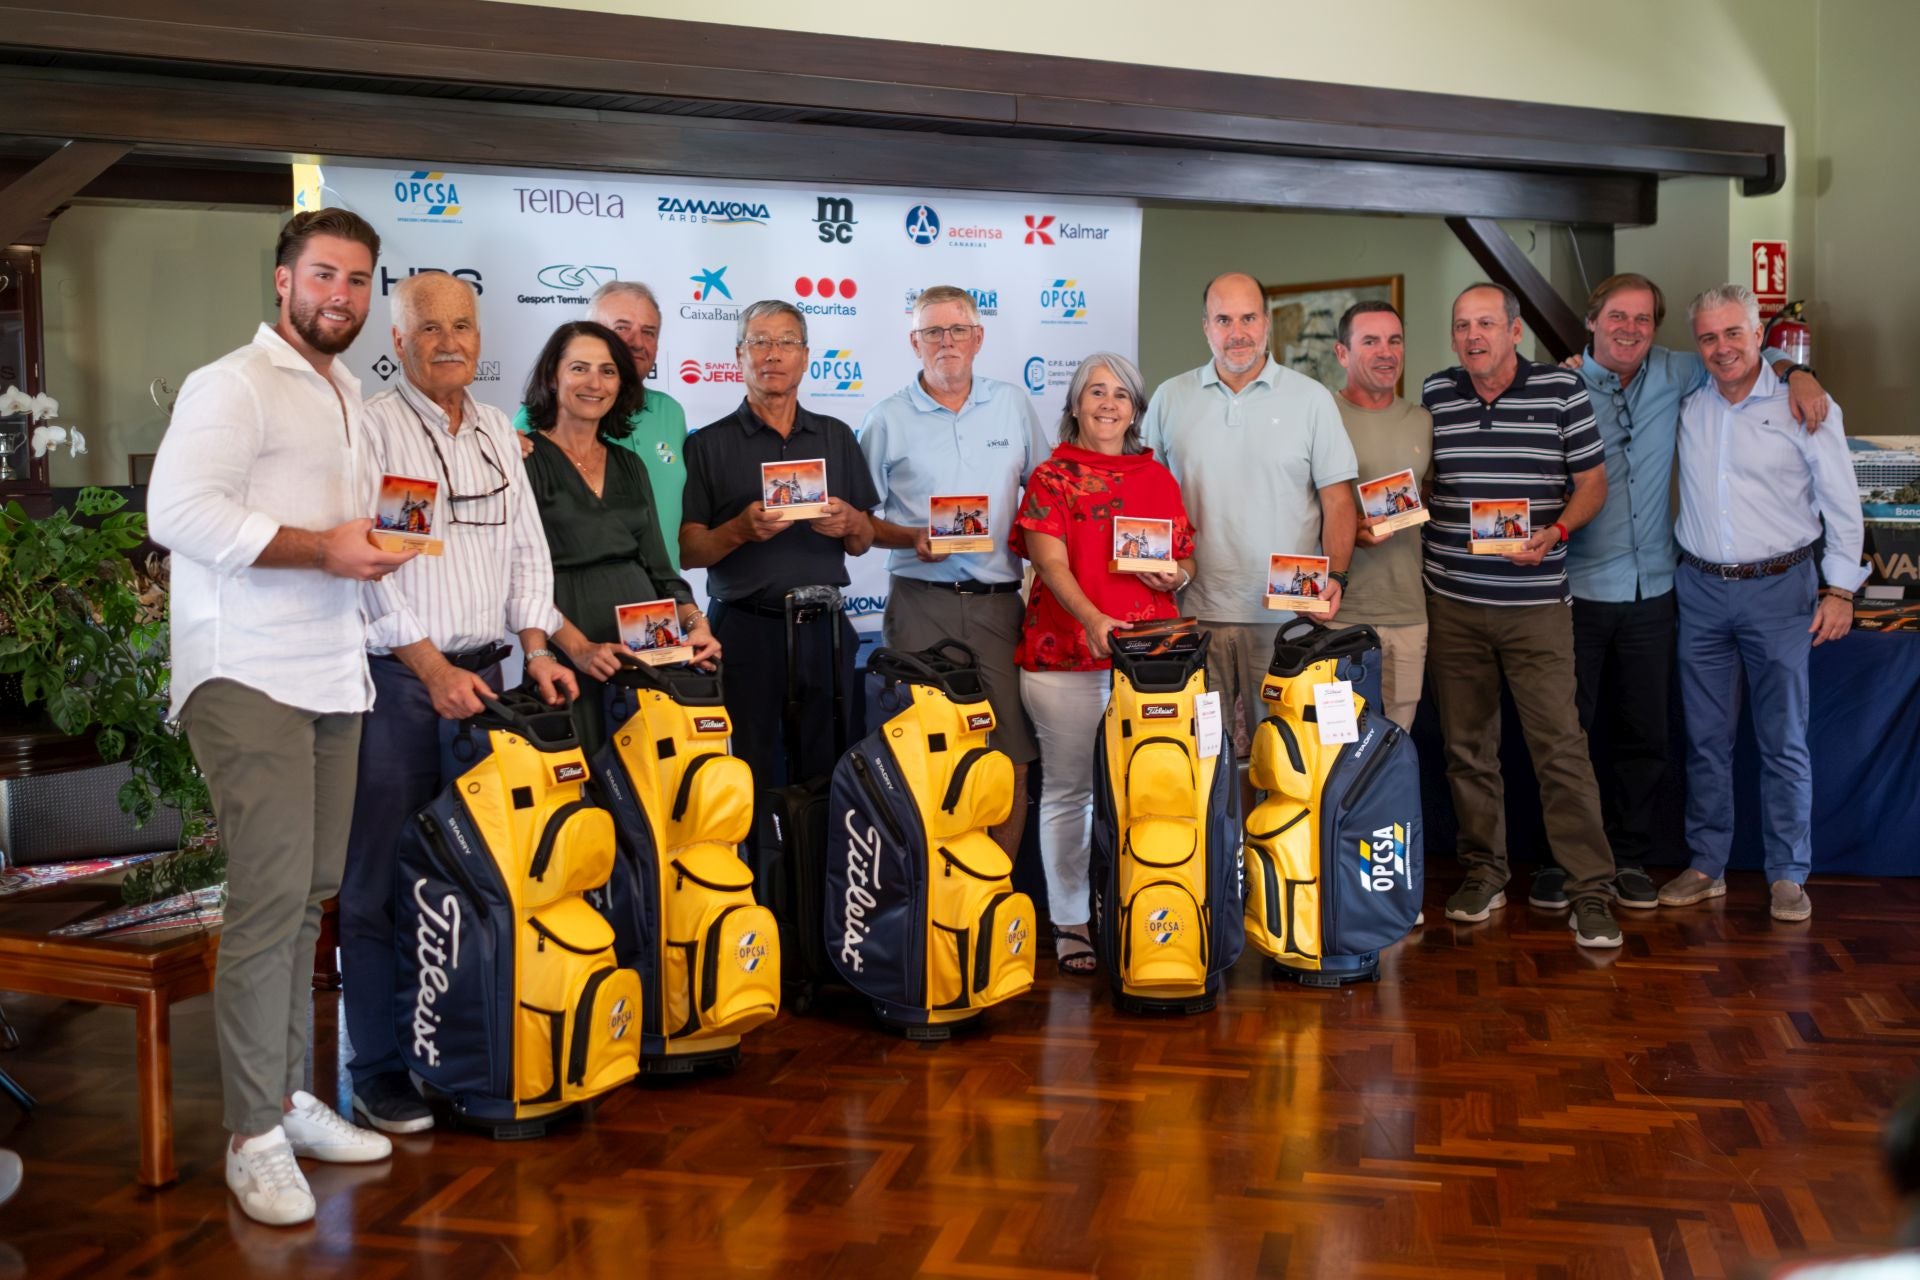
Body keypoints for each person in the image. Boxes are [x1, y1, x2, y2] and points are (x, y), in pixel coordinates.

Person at [148, 207, 411, 1226]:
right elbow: (179, 512)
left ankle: (287, 1096)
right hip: (246, 673)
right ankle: (251, 1136)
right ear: (282, 280)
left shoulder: (346, 390)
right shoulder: (233, 383)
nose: (340, 294)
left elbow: (348, 539)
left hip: (332, 672)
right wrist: (326, 548)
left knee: (310, 894)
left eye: (357, 280)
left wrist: (374, 563)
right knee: (268, 900)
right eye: (324, 275)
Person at [342, 271, 592, 1134]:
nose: (450, 340)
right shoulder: (373, 431)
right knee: (380, 884)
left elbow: (529, 551)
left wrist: (535, 647)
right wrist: (429, 667)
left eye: (464, 326)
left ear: (481, 338)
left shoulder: (496, 430)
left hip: (496, 685)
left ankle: (468, 1048)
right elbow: (375, 567)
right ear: (398, 340)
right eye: (430, 327)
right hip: (403, 690)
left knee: (485, 877)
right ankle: (378, 1068)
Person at [1551, 273, 1830, 914]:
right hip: (1580, 590)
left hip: (1660, 591)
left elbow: (1740, 354)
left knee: (1648, 735)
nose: (1629, 329)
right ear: (1591, 322)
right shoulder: (1557, 386)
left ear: (1656, 329)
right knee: (1570, 735)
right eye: (1617, 317)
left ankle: (1628, 859)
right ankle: (1565, 862)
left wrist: (1796, 372)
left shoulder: (1681, 373)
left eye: (1644, 319)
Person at [1422, 282, 1622, 949]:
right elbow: (1418, 487)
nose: (1473, 336)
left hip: (1535, 607)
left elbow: (1592, 483)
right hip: (1452, 605)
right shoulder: (1433, 394)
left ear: (1514, 331)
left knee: (1560, 750)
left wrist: (1557, 533)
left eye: (1485, 323)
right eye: (1461, 325)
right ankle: (1485, 871)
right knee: (1466, 750)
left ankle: (1590, 888)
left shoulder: (1561, 393)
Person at [1658, 283, 1864, 923]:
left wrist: (1839, 589)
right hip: (1699, 589)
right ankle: (1706, 864)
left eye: (1734, 334)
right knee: (1706, 741)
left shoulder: (1807, 405)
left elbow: (1842, 502)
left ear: (1759, 335)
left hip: (1782, 589)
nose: (1722, 348)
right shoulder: (1688, 402)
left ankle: (1787, 873)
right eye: (1709, 337)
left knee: (1783, 741)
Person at [1013, 353, 1195, 975]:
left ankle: (1139, 905)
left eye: (1121, 394)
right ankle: (1069, 923)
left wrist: (1176, 572)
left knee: (1148, 786)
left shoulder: (1157, 477)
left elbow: (1184, 560)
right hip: (1066, 657)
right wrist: (1093, 619)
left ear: (1136, 410)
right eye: (1096, 392)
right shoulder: (1051, 478)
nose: (1109, 404)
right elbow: (1050, 563)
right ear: (1074, 405)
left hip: (1152, 663)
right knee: (1069, 792)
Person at [860, 285, 1052, 855]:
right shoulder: (886, 418)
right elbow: (859, 524)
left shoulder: (1013, 404)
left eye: (958, 331)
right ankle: (930, 892)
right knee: (924, 753)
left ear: (978, 338)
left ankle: (991, 888)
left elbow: (1044, 499)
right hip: (920, 604)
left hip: (998, 604)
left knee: (1010, 755)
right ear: (914, 343)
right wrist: (910, 537)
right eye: (933, 333)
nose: (947, 343)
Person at [1140, 271, 1357, 750]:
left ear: (1267, 323)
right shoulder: (1170, 398)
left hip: (1285, 616)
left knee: (1285, 755)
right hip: (1192, 613)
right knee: (1201, 755)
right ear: (1205, 327)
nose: (1237, 332)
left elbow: (1337, 499)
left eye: (1248, 317)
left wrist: (1337, 577)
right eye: (1223, 319)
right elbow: (1144, 494)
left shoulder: (1311, 400)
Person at [680, 300, 878, 788]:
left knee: (831, 778)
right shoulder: (706, 444)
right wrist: (738, 531)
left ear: (806, 356)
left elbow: (864, 541)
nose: (773, 354)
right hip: (745, 632)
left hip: (825, 633)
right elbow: (687, 551)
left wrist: (853, 522)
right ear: (739, 355)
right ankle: (760, 868)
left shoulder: (836, 436)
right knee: (750, 778)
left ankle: (822, 867)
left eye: (786, 342)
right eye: (760, 342)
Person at [522, 320, 718, 755]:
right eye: (579, 368)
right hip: (568, 652)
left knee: (648, 789)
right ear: (553, 376)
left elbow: (659, 568)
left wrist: (695, 624)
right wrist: (579, 649)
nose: (595, 383)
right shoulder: (523, 460)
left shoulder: (630, 464)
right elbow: (517, 579)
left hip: (648, 651)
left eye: (608, 371)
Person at [513, 280, 690, 571]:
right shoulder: (535, 418)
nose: (636, 342)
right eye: (621, 328)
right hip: (575, 604)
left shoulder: (670, 413)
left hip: (658, 606)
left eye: (649, 332)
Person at [1330, 300, 1432, 730]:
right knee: (1335, 749)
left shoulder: (1422, 420)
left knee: (1398, 746)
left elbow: (1429, 497)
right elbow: (1293, 508)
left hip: (1408, 612)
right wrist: (1348, 529)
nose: (1385, 352)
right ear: (1342, 353)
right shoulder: (1321, 416)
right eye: (1370, 341)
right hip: (1339, 613)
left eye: (1394, 340)